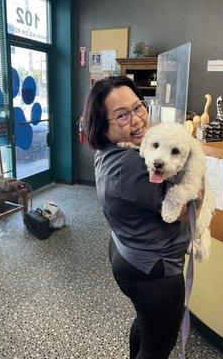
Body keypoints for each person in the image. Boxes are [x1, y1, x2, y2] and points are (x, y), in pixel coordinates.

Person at [82, 76, 200, 359]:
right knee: (158, 348)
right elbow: (184, 212)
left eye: (138, 108)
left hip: (127, 252)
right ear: (102, 125)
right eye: (122, 116)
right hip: (154, 271)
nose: (137, 121)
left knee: (146, 326)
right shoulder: (133, 166)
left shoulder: (109, 150)